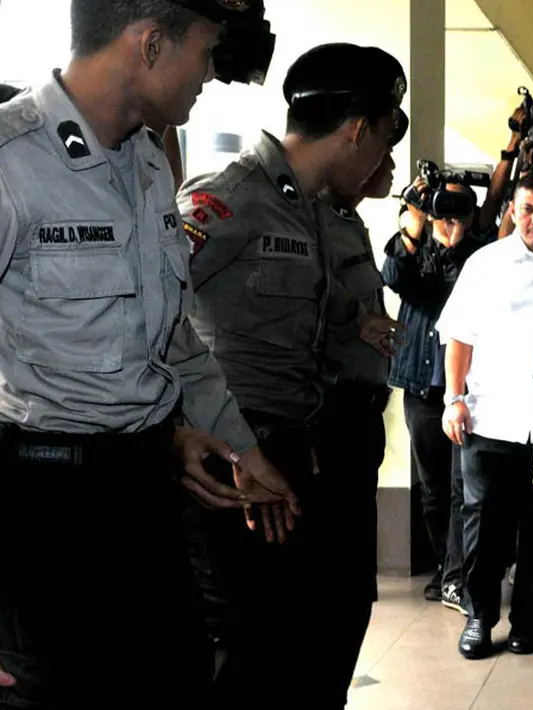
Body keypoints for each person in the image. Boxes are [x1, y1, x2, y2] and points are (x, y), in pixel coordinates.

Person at [0, 1, 293, 708]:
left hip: (145, 501)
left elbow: (173, 338)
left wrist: (240, 449)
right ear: (152, 44)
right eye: (208, 49)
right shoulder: (11, 161)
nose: (212, 72)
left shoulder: (147, 163)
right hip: (39, 518)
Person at [178, 42, 404, 709]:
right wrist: (190, 431)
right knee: (241, 650)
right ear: (359, 129)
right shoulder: (230, 197)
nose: (379, 160)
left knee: (291, 640)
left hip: (290, 449)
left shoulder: (308, 207)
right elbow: (145, 308)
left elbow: (283, 299)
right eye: (386, 135)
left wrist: (349, 318)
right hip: (228, 460)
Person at [436, 172, 533, 659]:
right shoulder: (486, 264)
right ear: (513, 211)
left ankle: (528, 618)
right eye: (527, 209)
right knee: (484, 527)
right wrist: (453, 399)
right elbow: (459, 337)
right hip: (491, 422)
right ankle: (481, 617)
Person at [313, 115, 408, 687]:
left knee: (352, 585)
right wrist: (355, 320)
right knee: (336, 585)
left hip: (358, 416)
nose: (389, 166)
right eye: (382, 152)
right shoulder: (312, 216)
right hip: (330, 415)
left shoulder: (348, 219)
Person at [385, 170, 491, 614]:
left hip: (464, 389)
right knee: (432, 489)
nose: (449, 217)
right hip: (419, 385)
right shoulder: (413, 248)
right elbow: (394, 277)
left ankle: (458, 576)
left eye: (458, 208)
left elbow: (463, 305)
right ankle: (446, 569)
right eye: (441, 208)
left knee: (462, 486)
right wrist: (415, 224)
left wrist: (458, 242)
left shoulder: (482, 258)